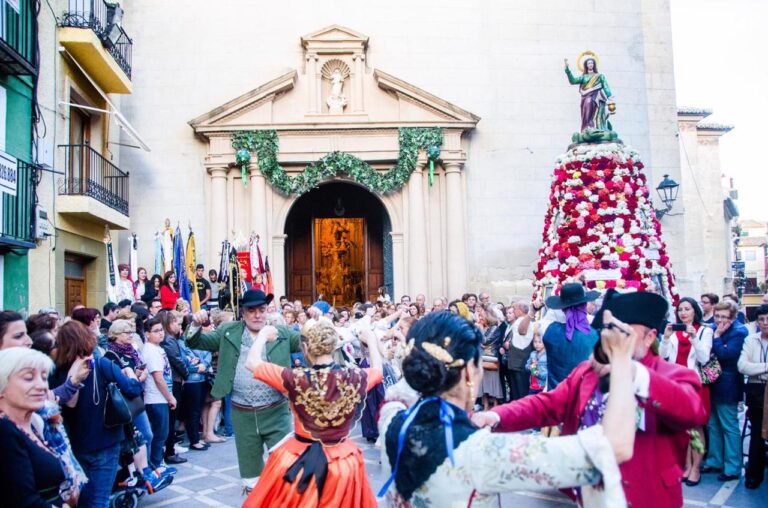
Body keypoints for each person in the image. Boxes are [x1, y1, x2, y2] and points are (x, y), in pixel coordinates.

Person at [473, 290, 708, 508]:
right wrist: (494, 416)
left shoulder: (673, 375)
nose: (612, 339)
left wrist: (631, 371)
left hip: (648, 496)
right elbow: (547, 404)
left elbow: (692, 410)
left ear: (649, 337)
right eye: (608, 330)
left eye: (623, 332)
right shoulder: (588, 372)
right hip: (592, 494)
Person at [378, 311, 636, 507]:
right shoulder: (482, 452)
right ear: (469, 372)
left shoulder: (392, 419)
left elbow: (400, 390)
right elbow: (613, 448)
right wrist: (622, 360)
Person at [242, 321, 382, 507]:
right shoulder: (354, 378)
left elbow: (252, 362)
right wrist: (371, 340)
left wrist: (262, 336)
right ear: (333, 346)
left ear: (306, 348)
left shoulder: (294, 379)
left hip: (299, 459)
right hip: (341, 461)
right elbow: (378, 371)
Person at [185, 289, 302, 492]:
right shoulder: (228, 331)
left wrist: (316, 325)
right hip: (243, 414)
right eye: (251, 310)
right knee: (251, 476)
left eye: (261, 310)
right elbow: (195, 342)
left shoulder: (281, 333)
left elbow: (309, 343)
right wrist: (195, 324)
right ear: (243, 312)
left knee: (287, 469)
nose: (257, 315)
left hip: (276, 413)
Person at [50, 321, 143, 507]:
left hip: (75, 443)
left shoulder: (56, 370)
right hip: (105, 440)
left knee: (82, 500)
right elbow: (133, 389)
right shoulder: (101, 364)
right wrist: (131, 374)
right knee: (99, 500)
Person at [0, 348, 83, 507]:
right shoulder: (4, 430)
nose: (42, 386)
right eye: (28, 378)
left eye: (44, 378)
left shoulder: (35, 424)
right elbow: (22, 501)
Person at [659, 297, 713, 486]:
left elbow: (704, 358)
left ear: (695, 311)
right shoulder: (673, 331)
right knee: (681, 427)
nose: (683, 313)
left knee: (696, 427)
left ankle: (696, 468)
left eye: (687, 309)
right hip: (675, 384)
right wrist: (666, 338)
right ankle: (686, 465)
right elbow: (663, 357)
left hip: (695, 385)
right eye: (680, 309)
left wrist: (694, 338)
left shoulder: (705, 331)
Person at [703, 300, 749, 481]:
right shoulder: (712, 327)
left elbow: (725, 354)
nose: (719, 320)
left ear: (733, 317)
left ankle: (732, 467)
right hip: (711, 382)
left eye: (724, 317)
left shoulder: (739, 332)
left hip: (728, 384)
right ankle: (714, 460)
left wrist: (717, 336)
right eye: (717, 316)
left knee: (729, 427)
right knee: (713, 424)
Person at [738, 303, 768, 489]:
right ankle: (754, 475)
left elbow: (750, 367)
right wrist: (766, 367)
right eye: (761, 320)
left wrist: (756, 369)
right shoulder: (751, 340)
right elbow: (742, 366)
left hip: (759, 383)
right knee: (757, 433)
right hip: (757, 391)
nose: (765, 323)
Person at [142, 318, 177, 470]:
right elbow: (158, 378)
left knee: (162, 432)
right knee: (160, 433)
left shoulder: (158, 348)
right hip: (155, 398)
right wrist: (170, 397)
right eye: (156, 331)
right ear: (147, 334)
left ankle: (158, 461)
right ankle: (156, 464)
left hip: (161, 396)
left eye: (161, 330)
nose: (160, 333)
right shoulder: (150, 351)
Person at [158, 311, 189, 465]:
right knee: (171, 418)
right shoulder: (168, 340)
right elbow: (176, 360)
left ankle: (170, 448)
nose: (179, 326)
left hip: (175, 379)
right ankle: (169, 451)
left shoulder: (171, 339)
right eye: (177, 323)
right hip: (175, 380)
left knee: (172, 418)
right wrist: (186, 372)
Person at [565, 56, 614, 133]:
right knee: (586, 110)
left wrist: (609, 95)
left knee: (590, 104)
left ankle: (593, 126)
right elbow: (573, 81)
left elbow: (605, 86)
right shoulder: (583, 77)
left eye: (592, 63)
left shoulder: (599, 76)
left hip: (596, 96)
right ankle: (587, 128)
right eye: (589, 63)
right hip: (585, 97)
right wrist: (567, 70)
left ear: (594, 65)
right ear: (586, 65)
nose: (590, 64)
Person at [503, 301, 535, 401]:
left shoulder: (526, 321)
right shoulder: (519, 321)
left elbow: (522, 333)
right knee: (515, 391)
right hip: (515, 361)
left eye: (515, 309)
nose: (514, 311)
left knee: (520, 391)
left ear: (520, 310)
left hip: (521, 362)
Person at [525, 326, 547, 395]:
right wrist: (530, 366)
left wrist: (538, 374)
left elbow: (547, 374)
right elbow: (526, 366)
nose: (537, 344)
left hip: (541, 386)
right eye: (535, 342)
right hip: (532, 386)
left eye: (540, 342)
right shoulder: (533, 354)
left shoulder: (546, 356)